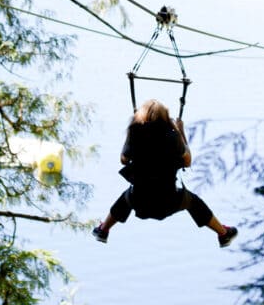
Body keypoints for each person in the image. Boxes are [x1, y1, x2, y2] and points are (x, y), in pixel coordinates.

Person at [92, 99, 238, 247]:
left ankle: (103, 230)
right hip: (169, 202)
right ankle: (223, 234)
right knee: (194, 203)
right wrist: (180, 130)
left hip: (141, 202)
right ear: (165, 118)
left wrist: (130, 131)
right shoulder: (172, 137)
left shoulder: (136, 135)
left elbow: (123, 160)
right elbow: (187, 161)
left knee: (126, 198)